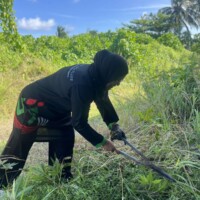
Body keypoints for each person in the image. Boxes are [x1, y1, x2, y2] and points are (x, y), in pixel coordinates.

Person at [0, 49, 128, 188]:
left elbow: (103, 100)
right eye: (117, 79)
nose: (118, 83)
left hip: (56, 108)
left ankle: (60, 180)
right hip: (33, 104)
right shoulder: (83, 83)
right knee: (19, 146)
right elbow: (79, 123)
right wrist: (103, 142)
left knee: (65, 136)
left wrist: (114, 126)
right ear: (108, 74)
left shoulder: (96, 76)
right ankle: (2, 185)